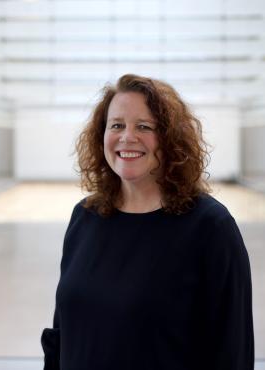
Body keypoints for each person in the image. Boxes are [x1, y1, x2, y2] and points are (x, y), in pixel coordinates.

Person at [40, 74, 254, 370]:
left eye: (144, 126)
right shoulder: (85, 216)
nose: (127, 137)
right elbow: (62, 333)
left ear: (170, 137)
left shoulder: (209, 227)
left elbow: (232, 351)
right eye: (117, 125)